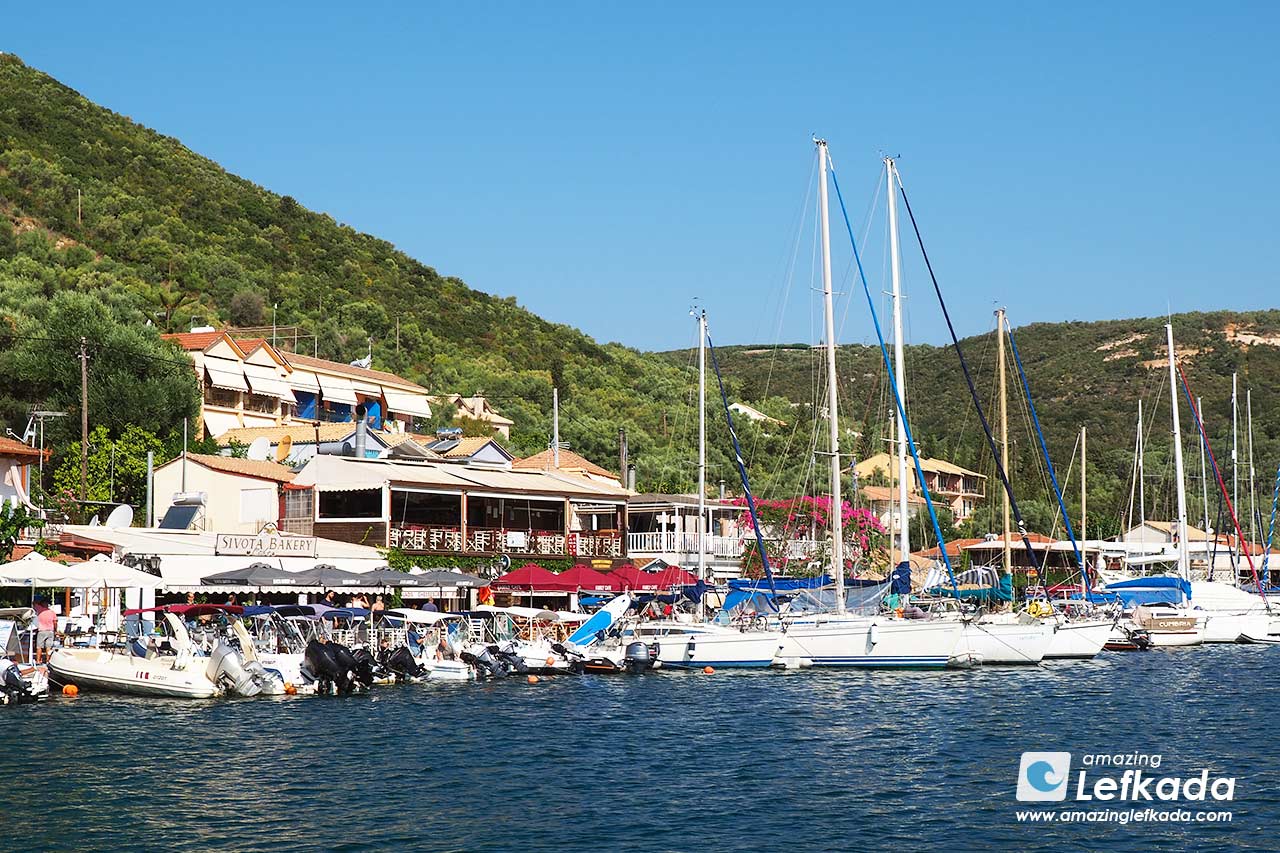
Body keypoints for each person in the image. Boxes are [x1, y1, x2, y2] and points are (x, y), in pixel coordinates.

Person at [33, 595, 57, 661]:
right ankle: (48, 660)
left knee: (39, 647)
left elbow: (34, 603)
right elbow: (55, 622)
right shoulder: (52, 612)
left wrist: (38, 601)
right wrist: (55, 630)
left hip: (42, 631)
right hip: (50, 631)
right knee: (48, 647)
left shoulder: (40, 610)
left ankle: (38, 660)